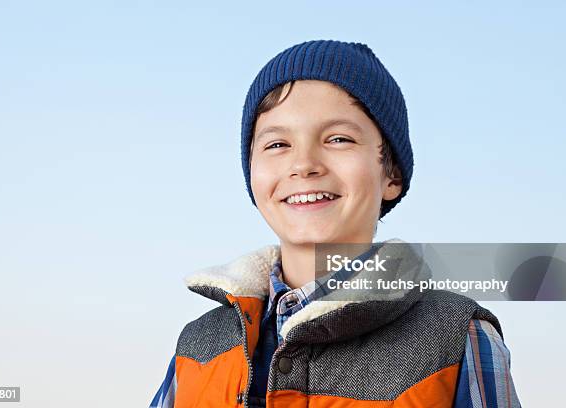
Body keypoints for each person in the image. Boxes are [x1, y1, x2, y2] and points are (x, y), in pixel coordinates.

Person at [149, 40, 521, 408]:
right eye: (277, 144)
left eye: (338, 139)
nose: (304, 164)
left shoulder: (456, 336)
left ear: (390, 174)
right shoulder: (197, 346)